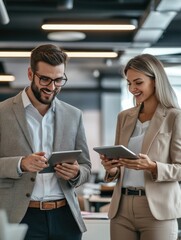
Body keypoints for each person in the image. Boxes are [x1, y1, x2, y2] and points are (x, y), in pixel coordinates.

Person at [0, 44, 91, 240]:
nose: (51, 87)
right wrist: (20, 164)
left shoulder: (73, 115)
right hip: (21, 217)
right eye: (45, 79)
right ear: (31, 74)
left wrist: (76, 173)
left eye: (59, 80)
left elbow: (86, 167)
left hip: (65, 217)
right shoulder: (2, 112)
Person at [100, 54, 181, 240]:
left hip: (157, 210)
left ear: (155, 81)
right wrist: (111, 169)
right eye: (129, 83)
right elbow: (118, 164)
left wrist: (153, 167)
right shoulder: (124, 117)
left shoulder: (174, 117)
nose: (132, 89)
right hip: (122, 208)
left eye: (138, 82)